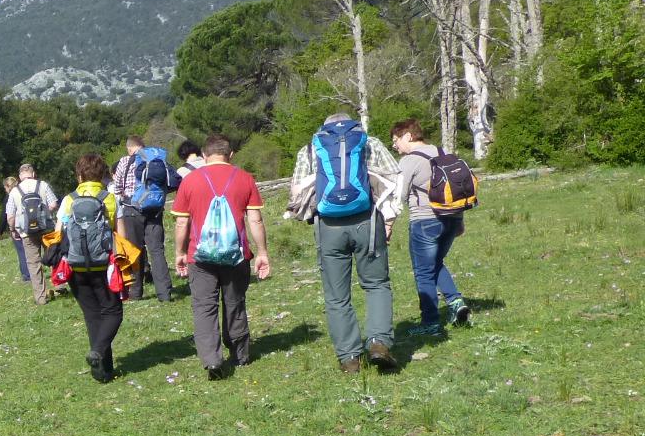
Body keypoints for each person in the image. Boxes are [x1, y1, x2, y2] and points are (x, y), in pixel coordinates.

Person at [289, 112, 402, 373]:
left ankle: (349, 358)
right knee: (376, 284)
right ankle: (379, 342)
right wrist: (389, 221)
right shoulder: (368, 141)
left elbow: (296, 192)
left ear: (324, 128)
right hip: (367, 219)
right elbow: (394, 180)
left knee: (337, 297)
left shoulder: (310, 149)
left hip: (328, 226)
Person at [172, 136, 271, 378]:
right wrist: (262, 252)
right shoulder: (245, 178)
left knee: (204, 307)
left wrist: (180, 253)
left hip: (200, 256)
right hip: (236, 255)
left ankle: (212, 360)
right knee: (235, 303)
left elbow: (182, 222)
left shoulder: (190, 180)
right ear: (231, 155)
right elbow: (255, 219)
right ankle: (240, 354)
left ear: (204, 156)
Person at [391, 119, 471, 336]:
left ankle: (430, 323)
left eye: (395, 141)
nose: (395, 146)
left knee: (423, 271)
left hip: (424, 221)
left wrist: (388, 224)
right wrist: (460, 220)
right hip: (452, 218)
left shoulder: (410, 161)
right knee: (436, 263)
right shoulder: (441, 152)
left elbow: (398, 195)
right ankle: (456, 303)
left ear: (408, 136)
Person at [58, 154, 123, 382]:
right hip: (103, 265)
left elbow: (60, 231)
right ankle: (98, 353)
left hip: (75, 267)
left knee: (92, 316)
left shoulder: (69, 199)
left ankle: (103, 371)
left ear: (79, 175)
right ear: (103, 174)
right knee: (113, 311)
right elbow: (118, 231)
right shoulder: (109, 198)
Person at [110, 135, 175, 302]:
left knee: (135, 251)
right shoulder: (157, 159)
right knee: (157, 251)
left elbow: (117, 187)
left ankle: (135, 292)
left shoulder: (125, 161)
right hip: (154, 211)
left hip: (132, 210)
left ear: (130, 148)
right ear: (142, 146)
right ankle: (165, 293)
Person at [5, 163, 59, 305]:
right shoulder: (42, 185)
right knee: (54, 257)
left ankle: (40, 298)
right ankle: (59, 286)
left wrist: (13, 230)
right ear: (33, 173)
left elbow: (10, 216)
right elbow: (53, 203)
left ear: (20, 176)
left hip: (26, 233)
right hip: (46, 228)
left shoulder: (15, 191)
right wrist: (45, 212)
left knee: (34, 264)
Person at [2, 175, 30, 283]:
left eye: (5, 187)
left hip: (19, 227)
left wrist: (12, 229)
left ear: (8, 186)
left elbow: (9, 216)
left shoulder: (11, 196)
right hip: (31, 224)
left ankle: (26, 275)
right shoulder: (24, 191)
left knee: (21, 251)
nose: (5, 190)